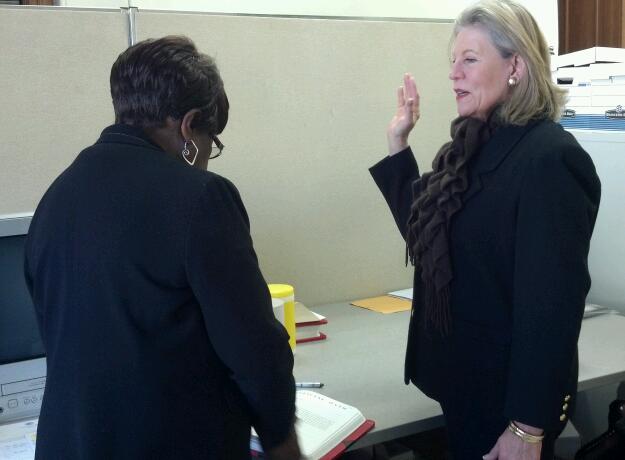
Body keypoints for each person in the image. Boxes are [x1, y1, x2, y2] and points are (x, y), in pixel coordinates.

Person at [24, 36, 300, 460]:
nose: (209, 155)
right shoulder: (201, 197)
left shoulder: (56, 196)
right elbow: (256, 353)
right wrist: (284, 444)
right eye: (213, 142)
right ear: (189, 127)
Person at [369, 1, 601, 459]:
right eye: (452, 62)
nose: (454, 74)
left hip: (506, 407)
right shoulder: (471, 148)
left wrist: (528, 427)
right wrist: (399, 146)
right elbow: (430, 236)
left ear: (515, 64)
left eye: (469, 60)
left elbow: (550, 309)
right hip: (465, 385)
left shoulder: (549, 158)